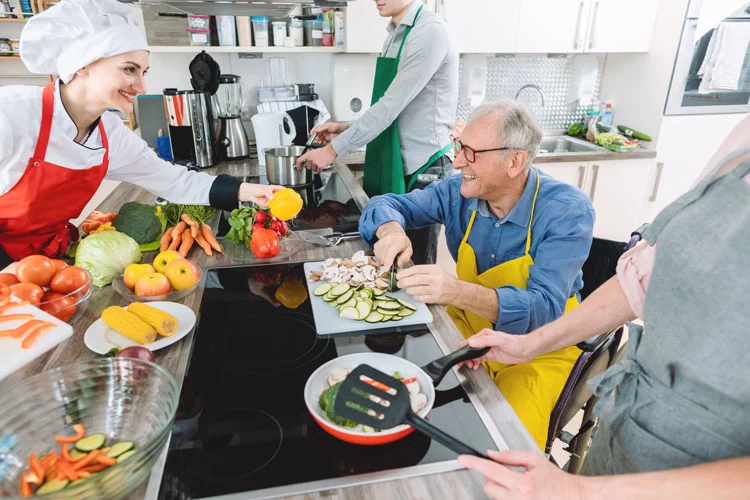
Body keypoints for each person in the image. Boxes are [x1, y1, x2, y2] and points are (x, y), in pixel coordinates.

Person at [456, 114, 750, 498]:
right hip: (627, 434)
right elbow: (638, 280)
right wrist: (527, 344)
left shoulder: (564, 207)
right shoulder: (741, 136)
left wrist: (580, 493)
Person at [358, 100, 596, 448]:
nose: (456, 161)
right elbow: (386, 204)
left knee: (507, 450)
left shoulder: (567, 211)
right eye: (459, 146)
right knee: (429, 417)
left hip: (539, 349)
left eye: (471, 152)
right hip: (470, 330)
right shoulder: (458, 193)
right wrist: (391, 231)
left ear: (515, 161)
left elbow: (543, 308)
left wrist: (453, 291)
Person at [0, 0, 281, 269]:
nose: (142, 86)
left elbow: (173, 181)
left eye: (143, 71)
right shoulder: (12, 114)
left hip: (49, 261)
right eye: (129, 70)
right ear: (82, 65)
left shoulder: (110, 135)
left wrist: (245, 191)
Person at [295, 0, 459, 266]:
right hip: (397, 163)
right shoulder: (395, 34)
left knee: (413, 267)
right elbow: (393, 105)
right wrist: (345, 127)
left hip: (424, 170)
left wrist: (332, 150)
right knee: (387, 261)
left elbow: (389, 107)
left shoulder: (430, 32)